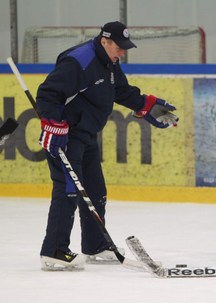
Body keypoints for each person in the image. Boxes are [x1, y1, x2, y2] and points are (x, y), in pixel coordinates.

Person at [37, 21, 178, 271]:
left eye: (124, 47)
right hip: (67, 137)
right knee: (69, 189)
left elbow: (120, 91)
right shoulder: (79, 61)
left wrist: (145, 105)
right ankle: (54, 250)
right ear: (105, 41)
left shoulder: (109, 61)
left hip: (87, 135)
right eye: (119, 47)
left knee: (95, 190)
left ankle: (95, 245)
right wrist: (54, 126)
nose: (122, 52)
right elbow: (48, 94)